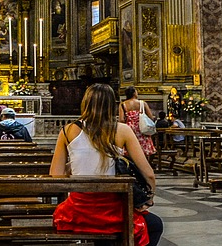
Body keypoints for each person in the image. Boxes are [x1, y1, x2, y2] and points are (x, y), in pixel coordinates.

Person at [50, 84, 161, 246]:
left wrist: (74, 165)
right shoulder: (122, 130)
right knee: (154, 225)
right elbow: (148, 174)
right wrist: (148, 200)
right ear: (112, 105)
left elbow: (55, 175)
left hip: (78, 211)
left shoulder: (67, 130)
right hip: (111, 209)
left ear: (85, 103)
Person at [119, 86, 156, 159]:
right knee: (143, 150)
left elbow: (121, 120)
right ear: (134, 93)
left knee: (130, 148)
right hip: (142, 128)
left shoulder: (123, 105)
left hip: (129, 130)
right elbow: (151, 117)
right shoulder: (142, 103)